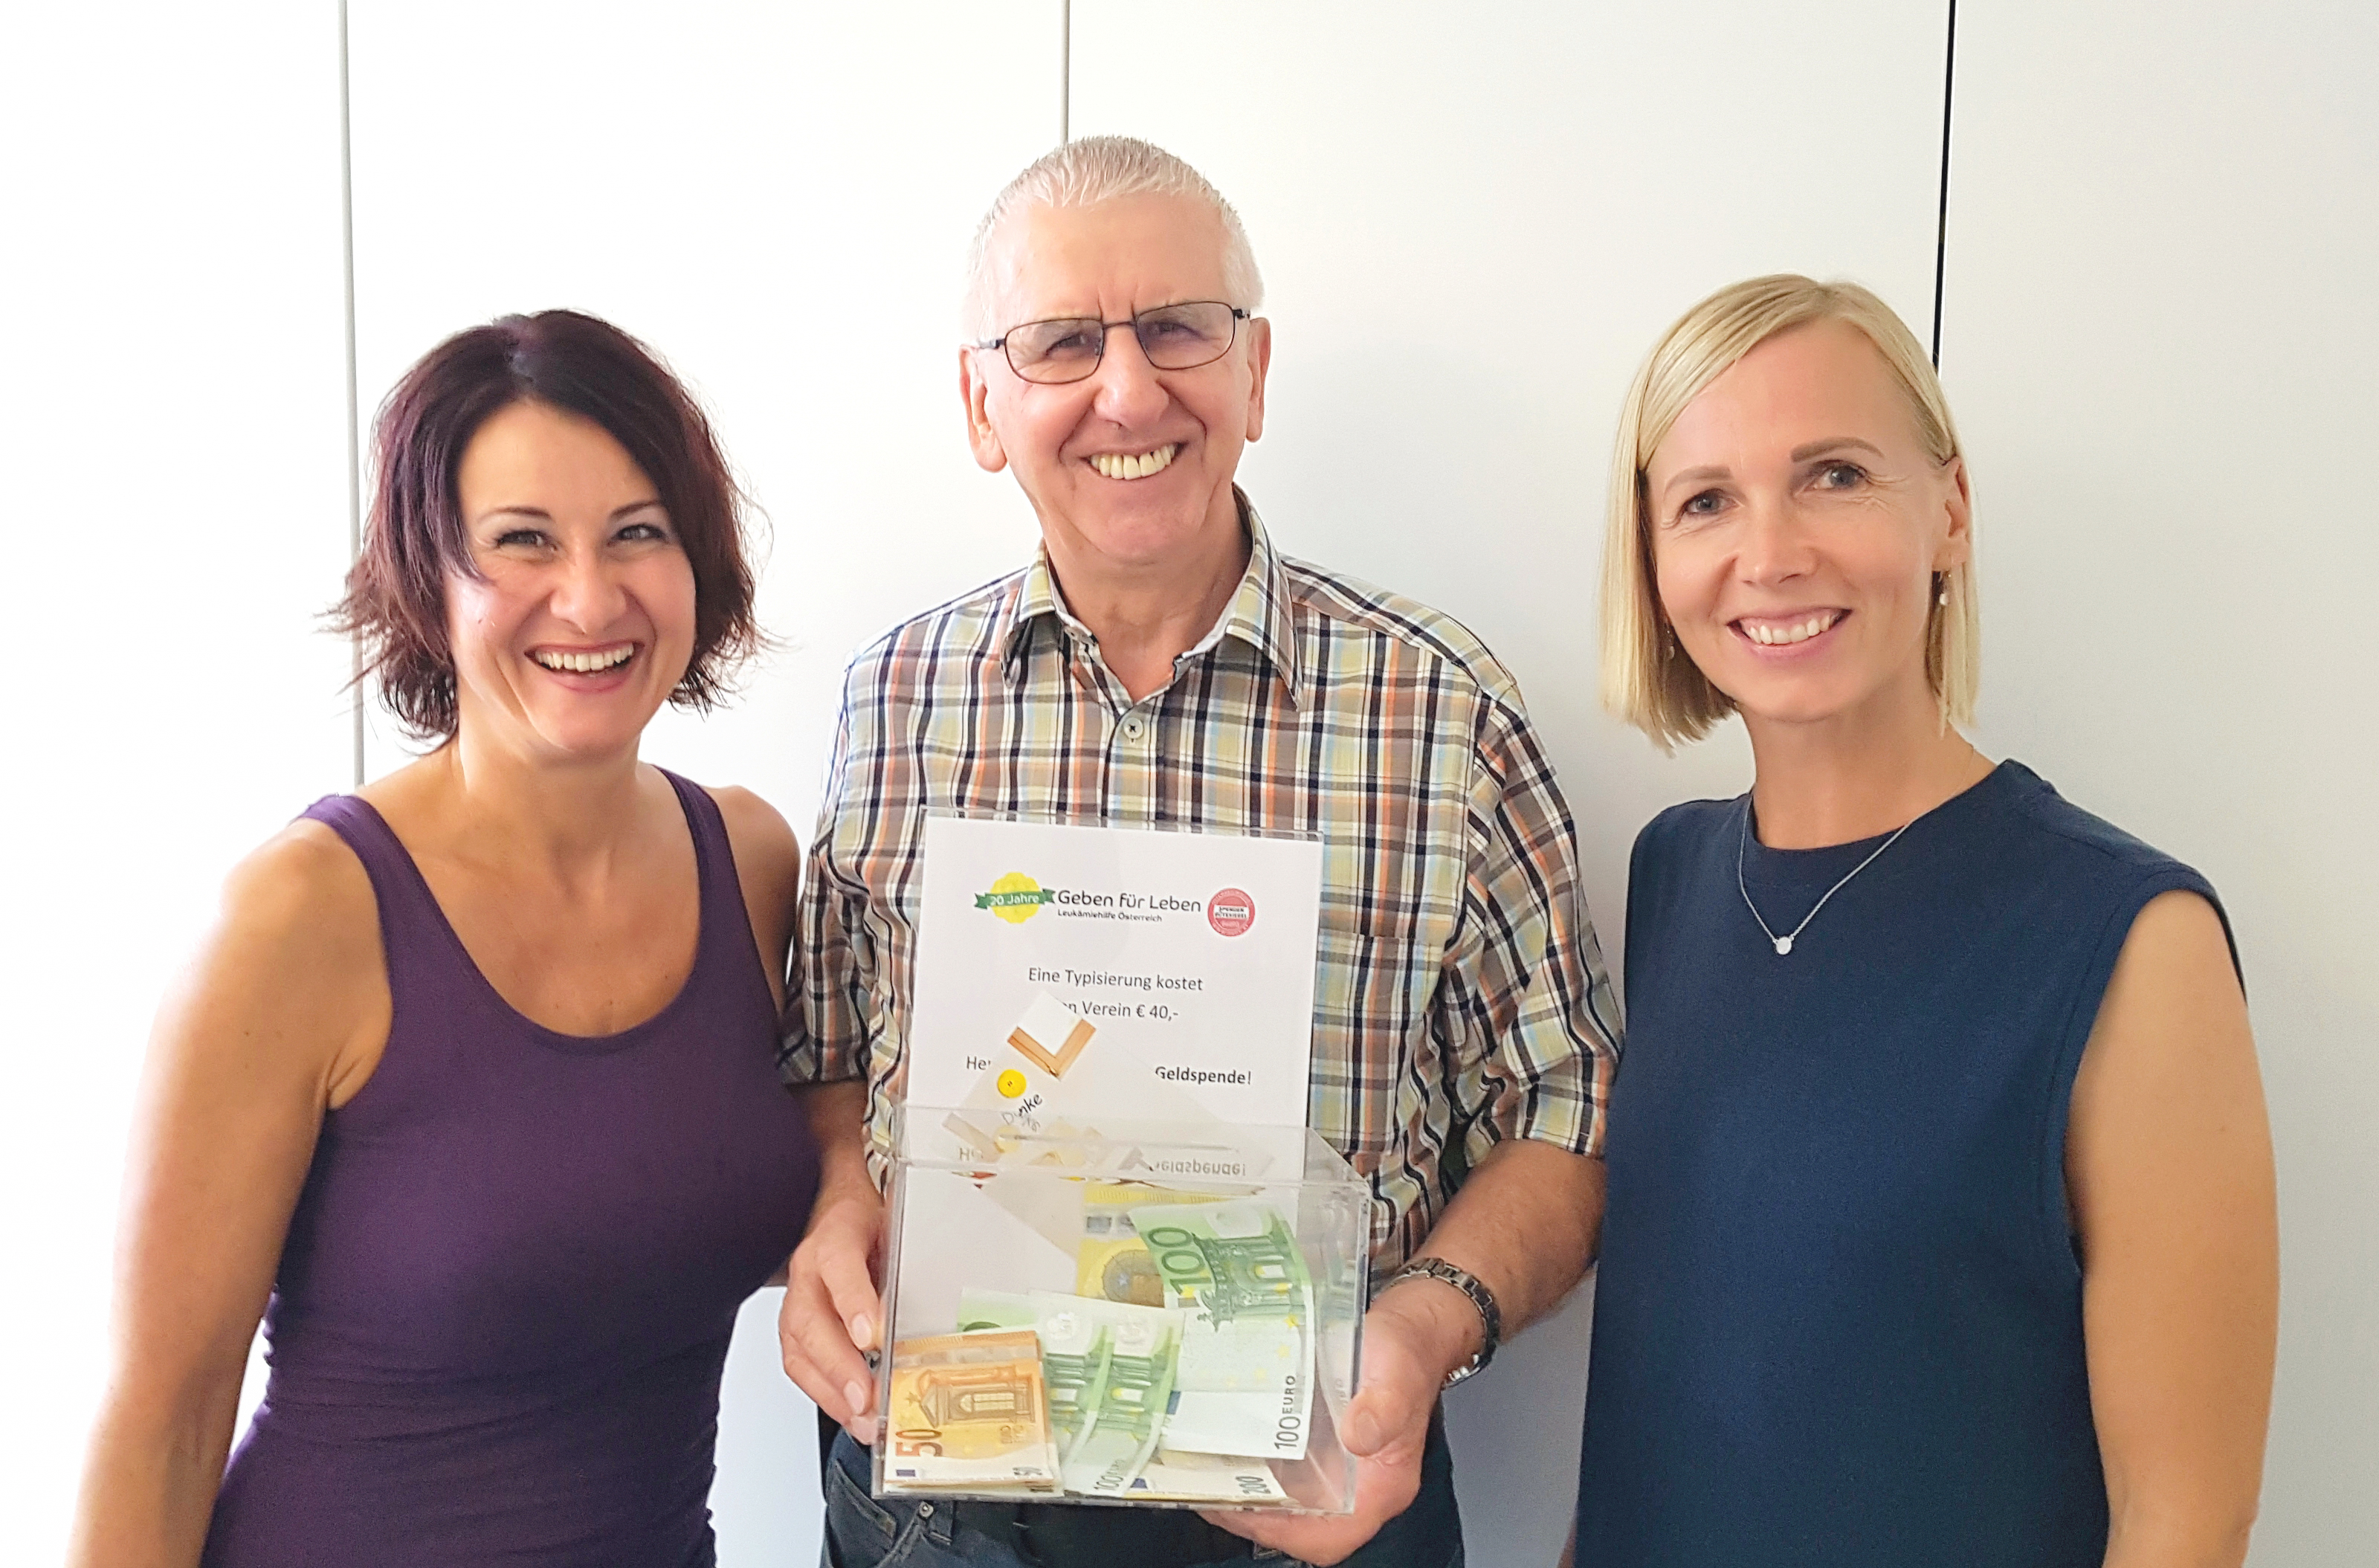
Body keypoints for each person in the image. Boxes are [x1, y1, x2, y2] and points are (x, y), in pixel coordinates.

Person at [777, 137, 1621, 1568]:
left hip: (1326, 1500)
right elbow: (830, 1052)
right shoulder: (894, 698)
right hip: (945, 1503)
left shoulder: (1441, 708)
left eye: (1177, 327)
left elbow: (1571, 1106)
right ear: (982, 404)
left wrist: (1424, 1329)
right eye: (1061, 341)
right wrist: (839, 1204)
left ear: (1255, 372)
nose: (1128, 391)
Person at [68, 310, 821, 1567]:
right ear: (430, 584)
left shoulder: (749, 863)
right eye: (522, 540)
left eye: (638, 532)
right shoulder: (303, 916)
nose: (590, 595)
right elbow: (161, 1428)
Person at [1570, 275, 2279, 1567]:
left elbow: (2185, 1521)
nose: (1771, 553)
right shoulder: (1670, 871)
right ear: (1653, 556)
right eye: (1707, 500)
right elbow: (1669, 1394)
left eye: (1834, 475)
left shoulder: (2131, 939)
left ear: (1949, 511)